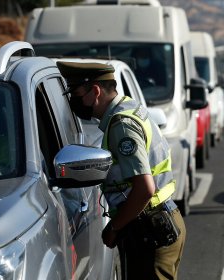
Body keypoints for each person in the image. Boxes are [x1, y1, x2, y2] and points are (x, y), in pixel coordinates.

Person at [57, 61, 186, 280]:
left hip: (151, 228)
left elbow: (145, 189)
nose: (73, 101)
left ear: (95, 91)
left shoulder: (122, 125)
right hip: (156, 221)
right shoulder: (129, 107)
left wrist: (114, 227)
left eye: (76, 93)